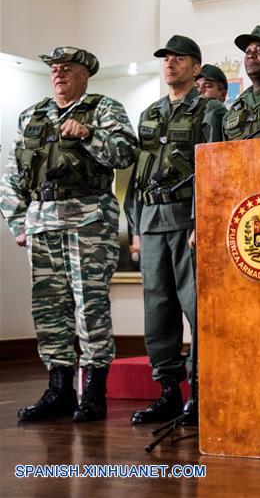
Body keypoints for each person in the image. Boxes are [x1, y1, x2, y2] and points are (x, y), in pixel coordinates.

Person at [0, 46, 136, 422]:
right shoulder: (33, 115)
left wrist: (89, 134)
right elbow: (13, 173)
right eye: (55, 69)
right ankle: (59, 390)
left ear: (84, 75)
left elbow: (125, 154)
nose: (59, 74)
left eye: (68, 69)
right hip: (42, 221)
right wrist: (18, 222)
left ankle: (93, 392)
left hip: (89, 220)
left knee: (90, 306)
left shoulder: (104, 108)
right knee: (48, 309)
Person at [127, 35, 225, 425]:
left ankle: (201, 393)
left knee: (196, 308)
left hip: (188, 221)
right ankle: (167, 390)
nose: (170, 64)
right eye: (166, 59)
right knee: (157, 309)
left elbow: (215, 170)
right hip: (151, 222)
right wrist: (133, 225)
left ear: (196, 67)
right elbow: (138, 174)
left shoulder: (211, 110)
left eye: (179, 58)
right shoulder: (150, 113)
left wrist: (204, 219)